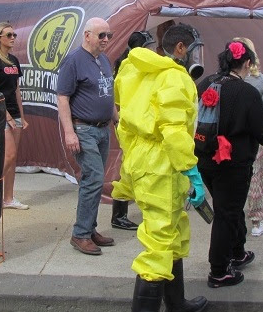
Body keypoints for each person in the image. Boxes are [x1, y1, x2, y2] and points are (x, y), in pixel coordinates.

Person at [112, 23, 208, 312]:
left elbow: (124, 123)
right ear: (180, 48)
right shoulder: (174, 78)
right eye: (193, 51)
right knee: (159, 244)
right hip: (163, 166)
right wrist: (192, 171)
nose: (195, 57)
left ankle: (176, 304)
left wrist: (131, 166)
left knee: (172, 234)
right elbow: (174, 130)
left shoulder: (138, 73)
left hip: (148, 163)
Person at [196, 40, 263, 288]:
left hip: (205, 159)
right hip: (233, 163)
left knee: (230, 208)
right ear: (246, 63)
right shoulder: (246, 92)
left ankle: (237, 252)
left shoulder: (206, 83)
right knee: (227, 213)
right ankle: (218, 271)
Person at [57, 17, 117, 256]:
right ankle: (80, 234)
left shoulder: (103, 59)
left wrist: (115, 116)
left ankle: (89, 229)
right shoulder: (73, 61)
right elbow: (63, 98)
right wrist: (69, 132)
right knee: (93, 179)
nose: (105, 40)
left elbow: (107, 90)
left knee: (95, 180)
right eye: (101, 35)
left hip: (102, 129)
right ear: (87, 35)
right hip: (83, 129)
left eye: (108, 36)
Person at [108, 31, 154, 231]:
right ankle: (119, 215)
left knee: (131, 165)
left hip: (131, 123)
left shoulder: (129, 64)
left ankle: (122, 213)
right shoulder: (130, 67)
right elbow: (120, 97)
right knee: (130, 167)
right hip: (131, 125)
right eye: (150, 46)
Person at [0, 22, 29, 210]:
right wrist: (7, 116)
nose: (12, 38)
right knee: (8, 156)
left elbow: (16, 90)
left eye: (14, 35)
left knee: (13, 157)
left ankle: (8, 199)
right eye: (9, 35)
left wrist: (21, 116)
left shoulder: (13, 60)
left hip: (14, 114)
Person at [236, 38, 263, 237]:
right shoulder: (260, 80)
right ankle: (257, 220)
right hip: (253, 137)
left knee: (240, 178)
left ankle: (245, 216)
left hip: (236, 138)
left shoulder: (223, 80)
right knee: (255, 178)